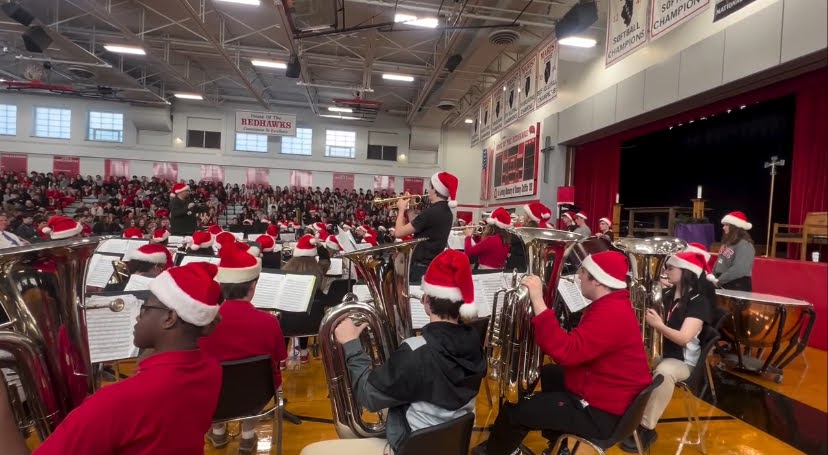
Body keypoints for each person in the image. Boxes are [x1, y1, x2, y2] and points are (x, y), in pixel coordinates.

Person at [0, 262, 224, 455]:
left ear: (169, 318)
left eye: (145, 308)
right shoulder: (211, 369)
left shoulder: (116, 402)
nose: (137, 314)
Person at [299, 249, 486, 455]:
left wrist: (351, 343)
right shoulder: (475, 341)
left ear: (426, 300)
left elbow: (366, 397)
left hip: (410, 448)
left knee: (310, 451)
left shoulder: (416, 352)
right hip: (449, 444)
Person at [473, 251, 651, 455]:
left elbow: (566, 352)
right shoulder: (613, 303)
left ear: (598, 281)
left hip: (602, 413)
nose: (579, 277)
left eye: (583, 272)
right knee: (550, 373)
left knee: (514, 412)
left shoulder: (611, 314)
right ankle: (558, 443)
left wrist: (538, 301)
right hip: (611, 397)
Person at [620, 251, 713, 452]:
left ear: (686, 272)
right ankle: (622, 416)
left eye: (671, 267)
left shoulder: (699, 301)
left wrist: (658, 325)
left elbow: (683, 338)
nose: (665, 271)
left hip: (683, 362)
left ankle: (646, 427)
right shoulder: (668, 295)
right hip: (663, 353)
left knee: (664, 372)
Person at [200, 242, 287, 453]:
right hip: (257, 395)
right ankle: (248, 436)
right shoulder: (269, 321)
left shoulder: (201, 321)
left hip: (211, 396)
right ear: (253, 286)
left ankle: (218, 431)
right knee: (254, 381)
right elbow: (279, 360)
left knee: (212, 379)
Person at [393, 172, 458, 282]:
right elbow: (417, 226)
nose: (428, 190)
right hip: (431, 266)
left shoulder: (430, 212)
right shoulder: (446, 212)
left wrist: (401, 209)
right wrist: (410, 208)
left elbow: (398, 233)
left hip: (420, 268)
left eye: (430, 187)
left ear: (434, 189)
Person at [281, 234, 329, 365]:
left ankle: (282, 359)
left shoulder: (285, 269)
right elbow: (325, 259)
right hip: (312, 321)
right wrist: (319, 245)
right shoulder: (319, 269)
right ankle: (303, 353)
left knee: (286, 314)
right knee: (306, 309)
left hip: (287, 322)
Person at [709, 211, 755, 291]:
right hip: (723, 282)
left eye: (727, 225)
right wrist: (713, 276)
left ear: (735, 227)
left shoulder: (745, 245)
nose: (723, 227)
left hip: (737, 285)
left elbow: (739, 269)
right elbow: (719, 261)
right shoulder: (727, 242)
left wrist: (719, 281)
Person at [104, 243, 173, 292]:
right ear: (155, 266)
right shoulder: (160, 287)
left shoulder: (119, 277)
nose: (160, 271)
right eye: (161, 267)